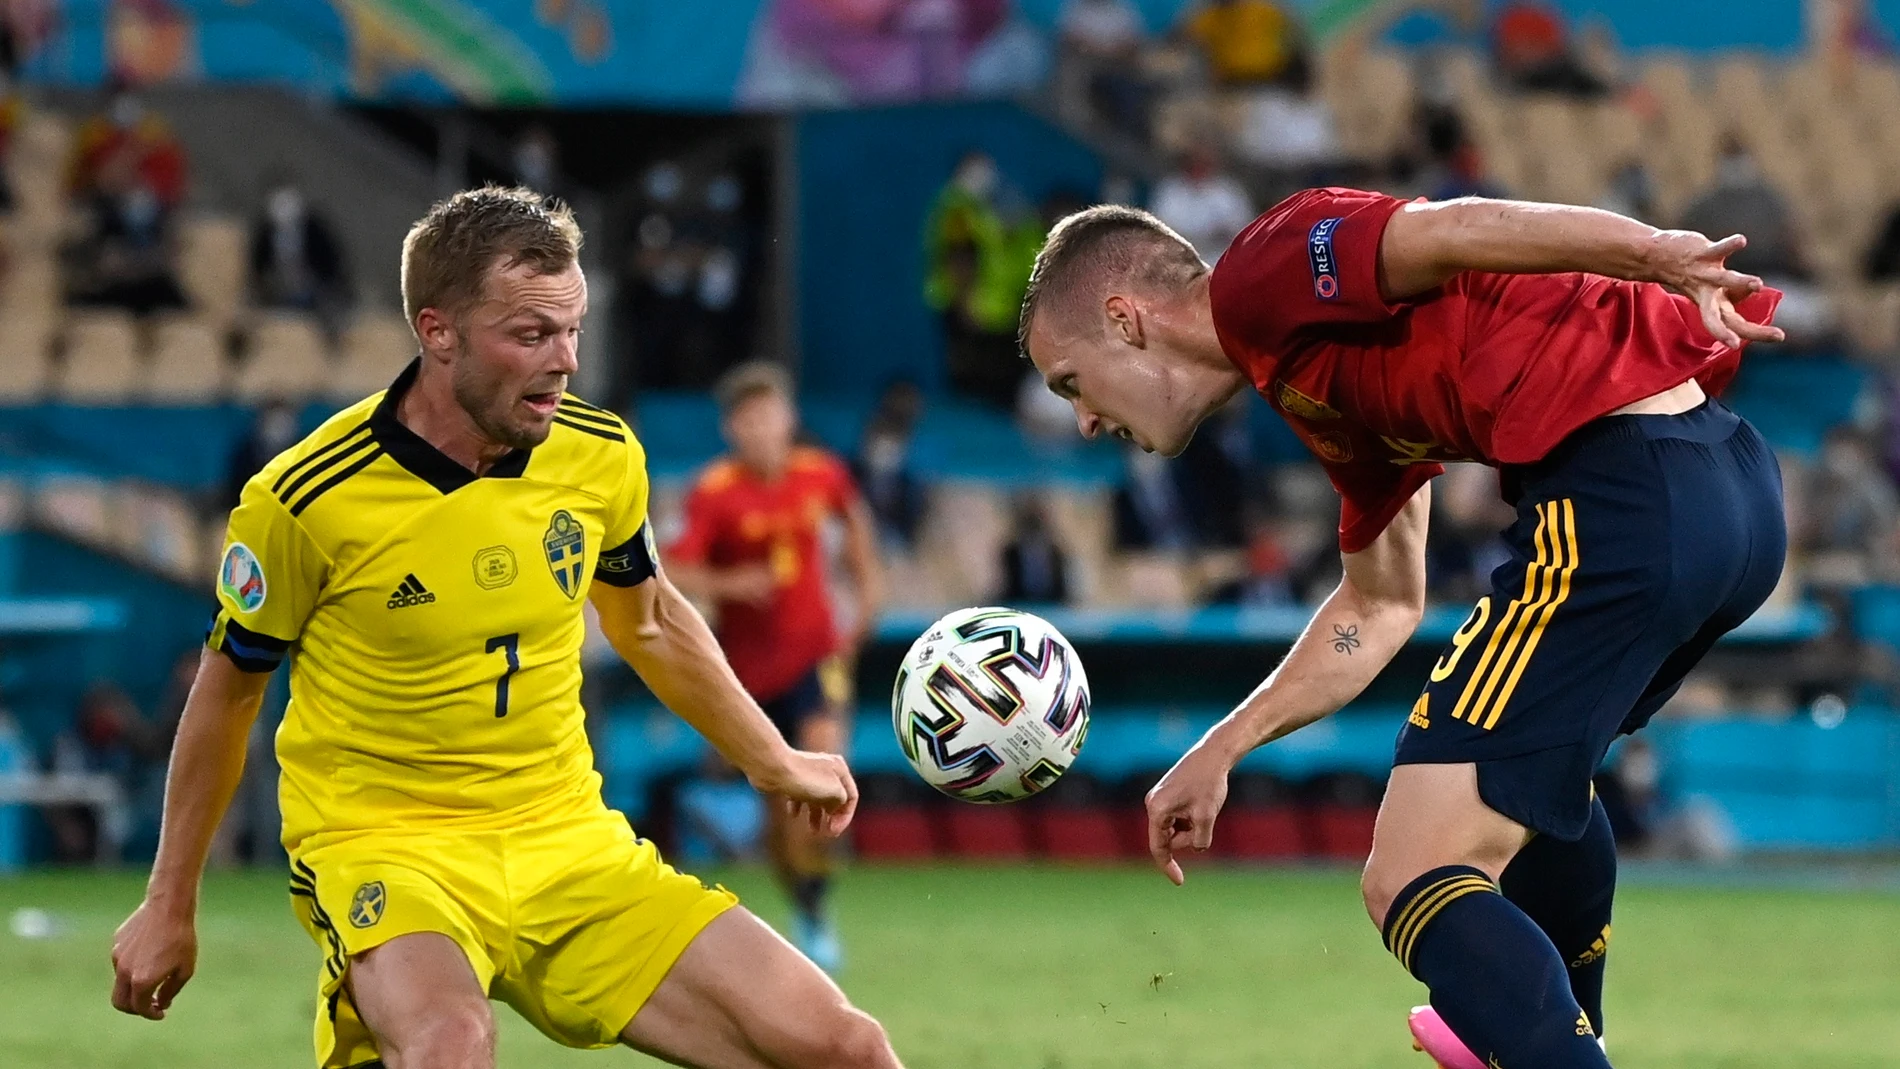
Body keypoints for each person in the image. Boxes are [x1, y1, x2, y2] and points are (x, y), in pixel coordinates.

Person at [108, 188, 902, 1069]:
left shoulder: (599, 454)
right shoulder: (307, 499)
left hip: (567, 840)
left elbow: (653, 622)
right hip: (386, 846)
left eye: (573, 331)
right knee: (451, 1042)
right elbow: (228, 692)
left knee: (846, 1047)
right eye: (530, 334)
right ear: (437, 331)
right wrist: (169, 900)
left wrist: (772, 757)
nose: (564, 361)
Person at [1018, 190, 1788, 1069]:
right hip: (1728, 493)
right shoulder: (1310, 380)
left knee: (1408, 875)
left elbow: (1450, 229)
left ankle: (1544, 1041)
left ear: (1124, 319)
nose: (1082, 420)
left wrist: (1652, 252)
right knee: (1534, 784)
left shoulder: (1260, 273)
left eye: (1071, 382)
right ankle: (1542, 1032)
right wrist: (1226, 746)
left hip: (1625, 495)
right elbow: (1377, 606)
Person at [666, 361, 883, 974]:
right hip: (748, 677)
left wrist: (861, 616)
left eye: (773, 414)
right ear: (732, 427)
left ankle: (816, 898)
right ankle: (809, 906)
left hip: (817, 660)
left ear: (789, 418)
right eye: (750, 417)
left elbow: (860, 543)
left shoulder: (823, 475)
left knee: (823, 772)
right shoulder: (714, 491)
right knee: (784, 819)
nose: (764, 427)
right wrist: (730, 583)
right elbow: (672, 569)